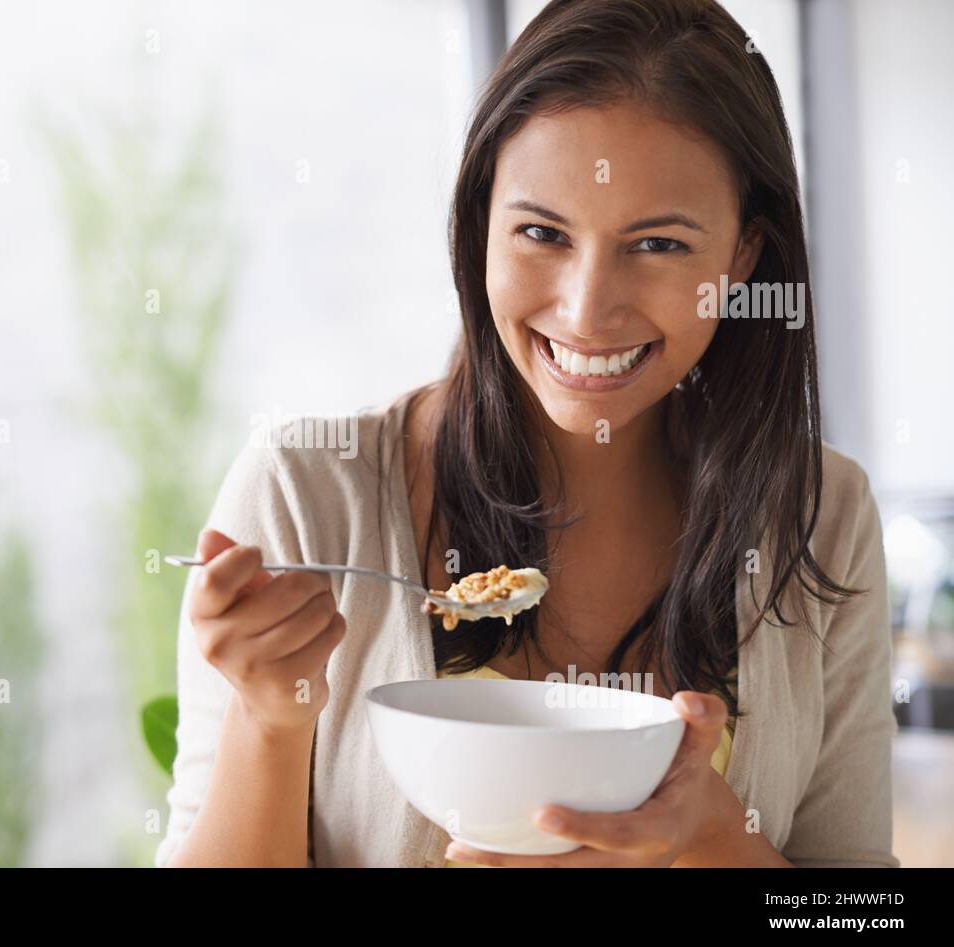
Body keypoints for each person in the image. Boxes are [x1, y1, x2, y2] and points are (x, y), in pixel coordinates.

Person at [156, 0, 898, 868]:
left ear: (741, 263)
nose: (586, 310)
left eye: (657, 244)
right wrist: (267, 718)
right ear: (479, 227)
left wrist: (712, 843)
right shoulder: (305, 496)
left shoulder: (823, 514)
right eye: (542, 232)